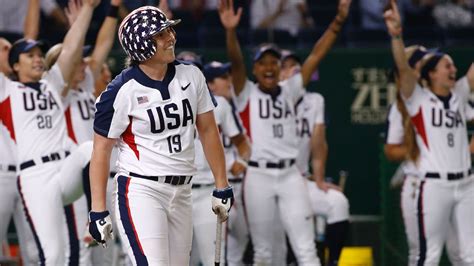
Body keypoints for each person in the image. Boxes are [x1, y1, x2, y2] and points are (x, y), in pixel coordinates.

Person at [88, 6, 234, 265]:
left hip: (183, 190)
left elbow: (209, 130)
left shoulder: (192, 75)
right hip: (142, 189)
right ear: (141, 45)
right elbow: (101, 150)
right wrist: (98, 209)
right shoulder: (120, 91)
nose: (171, 37)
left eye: (169, 30)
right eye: (160, 34)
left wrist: (222, 183)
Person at [218, 0, 351, 263]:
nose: (269, 67)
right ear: (255, 68)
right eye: (263, 63)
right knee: (264, 252)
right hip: (258, 174)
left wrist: (337, 22)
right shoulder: (247, 94)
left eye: (274, 63)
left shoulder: (291, 90)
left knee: (306, 248)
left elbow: (315, 56)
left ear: (280, 69)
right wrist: (230, 32)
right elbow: (235, 62)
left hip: (291, 174)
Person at [0, 0, 99, 264]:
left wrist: (87, 10)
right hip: (35, 177)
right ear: (15, 66)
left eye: (38, 54)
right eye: (29, 55)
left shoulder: (52, 83)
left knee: (90, 148)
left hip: (64, 168)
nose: (36, 58)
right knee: (54, 256)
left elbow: (69, 50)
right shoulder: (6, 91)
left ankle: (96, 217)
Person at [385, 0, 474, 264]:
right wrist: (396, 35)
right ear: (431, 74)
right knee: (428, 255)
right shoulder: (417, 100)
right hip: (433, 185)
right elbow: (403, 68)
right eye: (447, 66)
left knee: (469, 254)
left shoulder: (458, 93)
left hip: (467, 183)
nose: (453, 70)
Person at [280, 50, 350, 266]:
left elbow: (319, 144)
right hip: (271, 181)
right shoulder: (266, 99)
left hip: (301, 179)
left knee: (338, 203)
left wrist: (319, 180)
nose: (294, 69)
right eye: (287, 65)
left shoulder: (315, 100)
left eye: (296, 64)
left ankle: (333, 261)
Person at [189, 60, 251, 266]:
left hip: (209, 189)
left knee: (214, 259)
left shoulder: (219, 105)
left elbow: (242, 143)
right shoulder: (168, 103)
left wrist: (241, 160)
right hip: (179, 191)